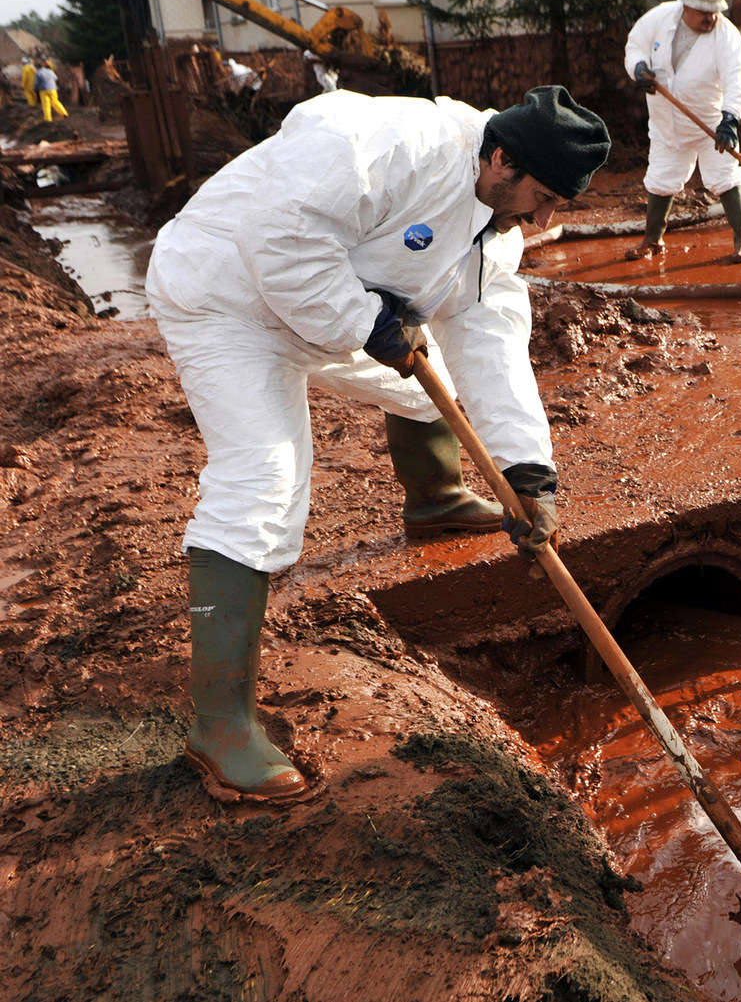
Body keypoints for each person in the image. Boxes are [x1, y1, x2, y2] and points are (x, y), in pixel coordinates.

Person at [145, 85, 610, 801]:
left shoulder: (497, 225)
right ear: (500, 158)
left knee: (440, 378)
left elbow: (489, 339)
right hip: (227, 293)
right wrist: (366, 320)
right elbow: (277, 235)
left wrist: (527, 472)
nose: (543, 219)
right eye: (542, 197)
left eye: (558, 207)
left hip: (337, 304)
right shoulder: (389, 144)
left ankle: (436, 498)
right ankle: (221, 727)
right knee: (263, 481)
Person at [625, 0, 741, 264]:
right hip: (666, 121)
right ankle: (652, 240)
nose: (711, 19)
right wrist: (639, 68)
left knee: (726, 176)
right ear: (686, 5)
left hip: (710, 123)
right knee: (660, 178)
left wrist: (730, 118)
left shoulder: (727, 36)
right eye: (704, 13)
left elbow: (737, 81)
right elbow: (635, 45)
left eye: (716, 12)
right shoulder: (660, 18)